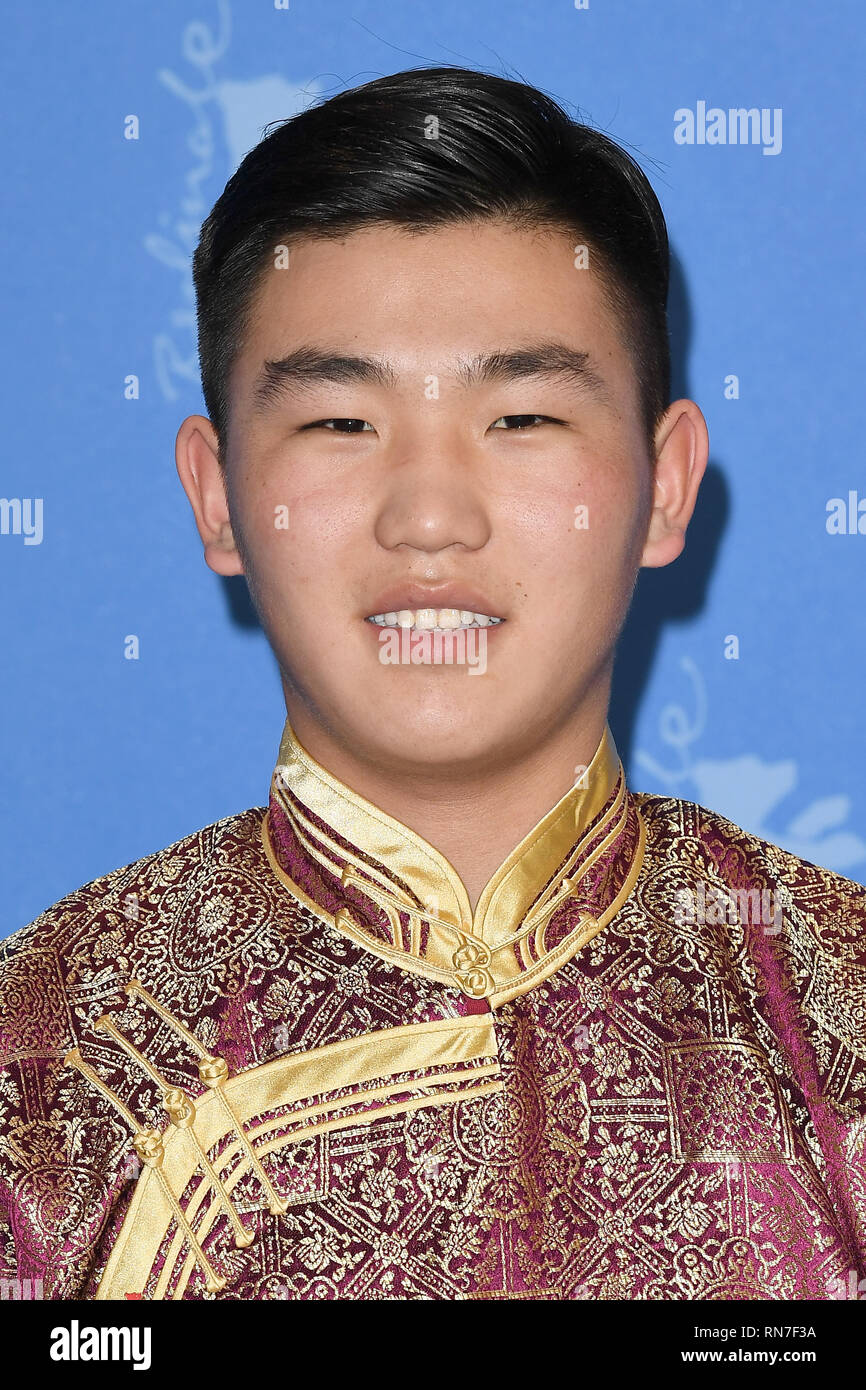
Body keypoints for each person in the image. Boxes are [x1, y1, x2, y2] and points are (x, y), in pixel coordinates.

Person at [1, 65, 863, 1303]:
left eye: (519, 418)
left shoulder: (834, 1016)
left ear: (664, 486)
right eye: (339, 424)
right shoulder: (43, 1073)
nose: (428, 518)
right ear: (217, 496)